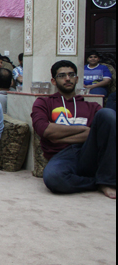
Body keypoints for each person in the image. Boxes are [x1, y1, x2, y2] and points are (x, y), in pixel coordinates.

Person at [32, 60, 115, 199]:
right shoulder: (44, 102)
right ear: (53, 81)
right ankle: (97, 182)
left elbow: (101, 134)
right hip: (62, 156)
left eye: (71, 75)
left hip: (88, 151)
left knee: (107, 114)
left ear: (77, 79)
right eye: (62, 75)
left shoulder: (92, 107)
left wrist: (58, 136)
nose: (67, 78)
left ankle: (107, 181)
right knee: (53, 177)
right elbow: (45, 130)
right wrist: (85, 130)